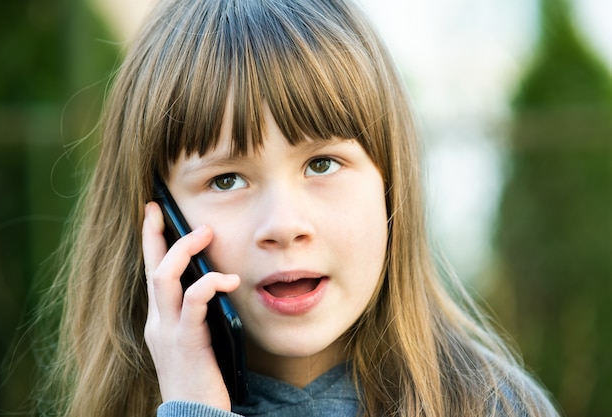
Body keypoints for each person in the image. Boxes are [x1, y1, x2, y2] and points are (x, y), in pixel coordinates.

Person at [34, 0, 560, 416]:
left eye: (322, 165)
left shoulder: (492, 407)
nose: (285, 226)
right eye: (227, 178)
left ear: (390, 185)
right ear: (159, 221)